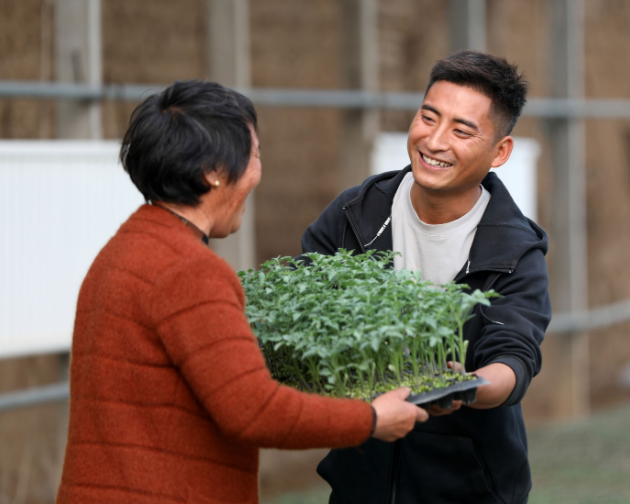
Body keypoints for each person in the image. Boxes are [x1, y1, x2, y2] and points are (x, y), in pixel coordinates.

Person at [56, 80, 428, 504]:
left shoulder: (121, 250)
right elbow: (253, 410)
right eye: (253, 155)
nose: (257, 171)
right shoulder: (188, 271)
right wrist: (372, 418)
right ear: (214, 172)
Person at [301, 51, 551, 504]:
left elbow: (514, 359)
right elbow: (305, 303)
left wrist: (467, 386)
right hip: (362, 478)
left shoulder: (515, 250)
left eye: (461, 130)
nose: (434, 141)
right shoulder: (357, 213)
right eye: (427, 117)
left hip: (469, 486)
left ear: (500, 151)